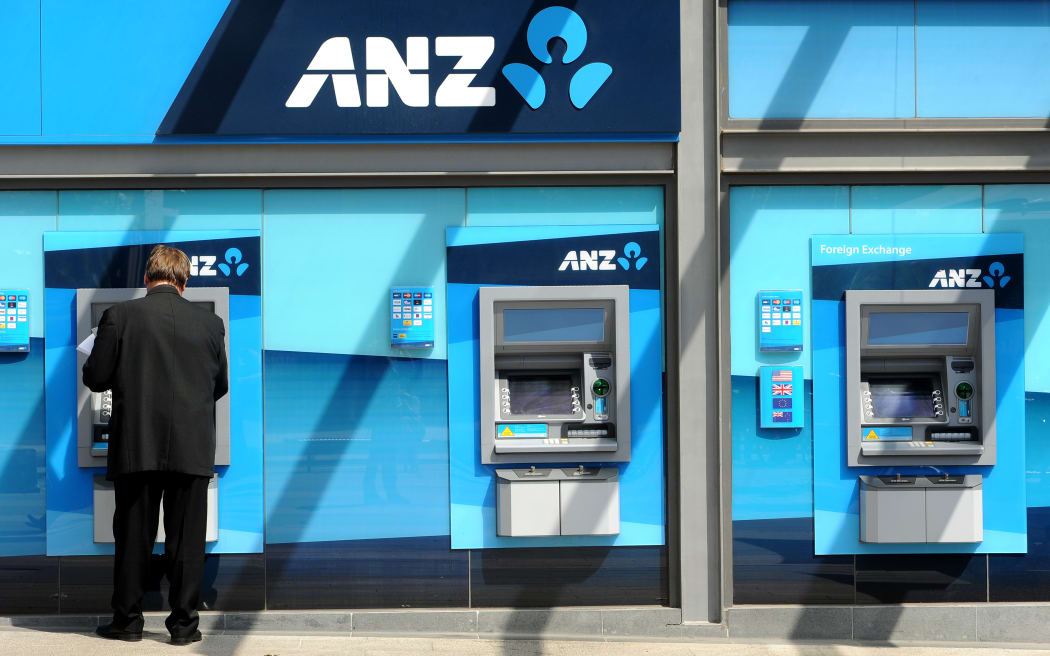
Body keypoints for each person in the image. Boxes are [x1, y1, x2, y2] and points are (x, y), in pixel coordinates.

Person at [83, 244, 228, 645]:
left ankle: (128, 623)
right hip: (192, 448)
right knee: (186, 542)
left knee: (133, 539)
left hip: (136, 448)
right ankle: (184, 627)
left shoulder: (120, 317)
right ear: (185, 281)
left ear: (146, 278)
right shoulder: (210, 324)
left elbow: (95, 378)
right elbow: (221, 385)